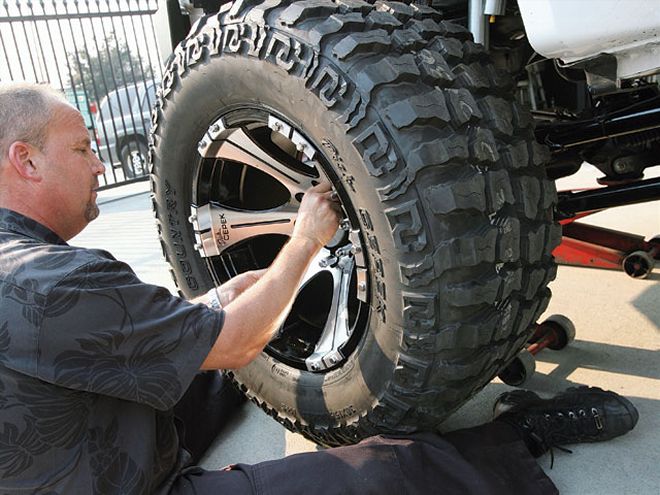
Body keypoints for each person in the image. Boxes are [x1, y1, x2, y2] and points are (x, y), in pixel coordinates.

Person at [0, 82, 639, 495]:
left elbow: (144, 334)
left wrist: (222, 304)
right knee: (385, 471)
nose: (100, 164)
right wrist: (302, 242)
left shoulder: (26, 269)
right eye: (84, 149)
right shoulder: (49, 281)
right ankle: (519, 438)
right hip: (126, 482)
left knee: (221, 363)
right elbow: (238, 339)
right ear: (26, 161)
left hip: (88, 438)